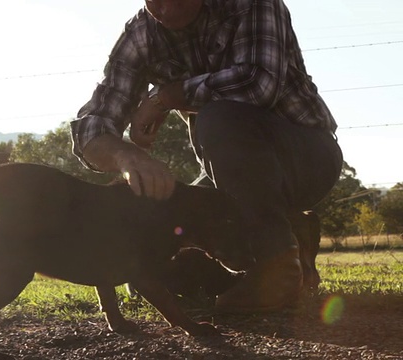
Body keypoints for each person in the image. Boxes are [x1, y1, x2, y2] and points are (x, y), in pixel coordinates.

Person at [70, 0, 343, 313]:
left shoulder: (252, 5)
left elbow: (257, 84)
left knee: (219, 116)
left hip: (307, 156)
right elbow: (90, 126)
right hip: (225, 177)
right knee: (164, 264)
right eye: (154, 1)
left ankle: (275, 263)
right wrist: (126, 157)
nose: (165, 10)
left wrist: (166, 96)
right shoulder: (141, 33)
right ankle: (294, 235)